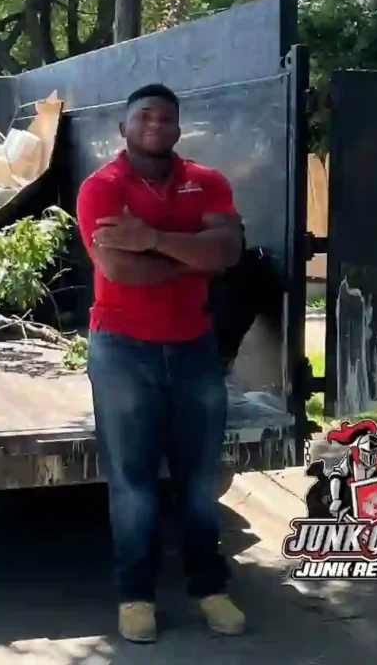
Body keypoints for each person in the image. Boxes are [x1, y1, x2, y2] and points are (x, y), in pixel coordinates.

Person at [76, 83, 246, 643]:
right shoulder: (101, 187)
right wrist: (192, 256)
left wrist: (150, 238)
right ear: (123, 128)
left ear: (178, 128)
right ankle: (135, 596)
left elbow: (229, 252)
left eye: (166, 118)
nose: (156, 124)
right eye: (144, 116)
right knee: (133, 483)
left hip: (194, 346)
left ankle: (209, 588)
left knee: (200, 482)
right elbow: (121, 271)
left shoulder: (208, 181)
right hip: (123, 350)